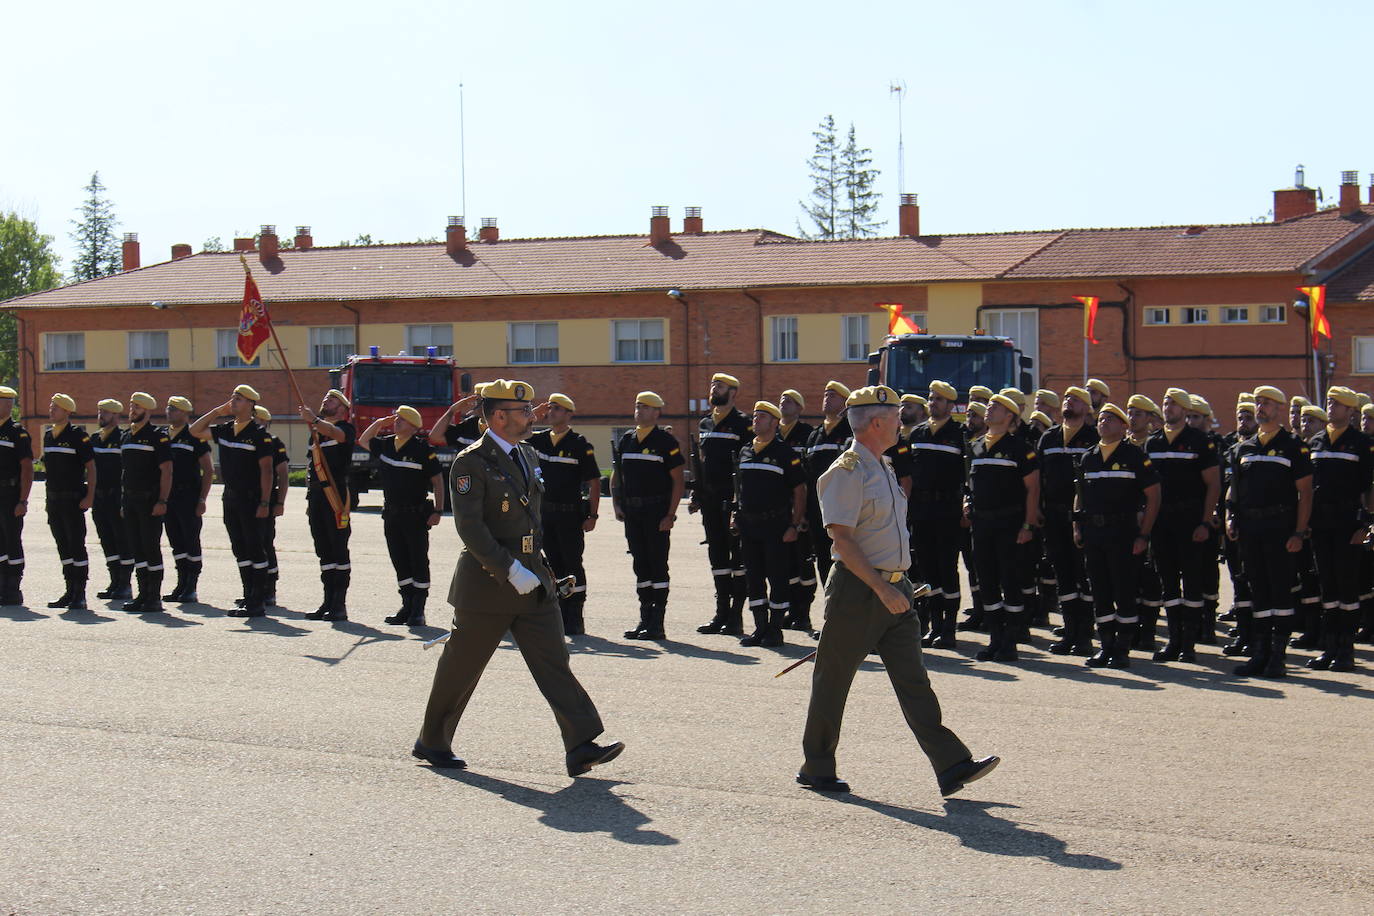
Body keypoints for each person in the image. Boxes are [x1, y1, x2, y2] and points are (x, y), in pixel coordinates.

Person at [796, 384, 998, 797]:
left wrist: (899, 582)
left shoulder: (883, 467)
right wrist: (879, 587)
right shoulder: (845, 472)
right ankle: (816, 764)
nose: (903, 421)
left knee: (914, 679)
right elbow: (843, 541)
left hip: (896, 586)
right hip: (859, 589)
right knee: (833, 680)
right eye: (895, 416)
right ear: (875, 422)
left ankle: (951, 764)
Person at [415, 379, 623, 776]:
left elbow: (531, 517)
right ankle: (432, 740)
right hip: (488, 584)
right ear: (497, 416)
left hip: (533, 580)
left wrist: (537, 569)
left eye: (528, 411)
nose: (531, 417)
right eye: (522, 412)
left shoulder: (528, 454)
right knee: (461, 668)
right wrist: (509, 569)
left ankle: (580, 744)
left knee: (554, 661)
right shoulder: (471, 462)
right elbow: (471, 528)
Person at [1225, 386, 1312, 678]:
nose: (1260, 408)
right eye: (1258, 403)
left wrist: (1299, 532)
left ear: (1280, 410)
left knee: (1280, 591)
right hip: (1250, 529)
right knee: (1257, 589)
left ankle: (1278, 656)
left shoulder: (1293, 446)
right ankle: (1259, 653)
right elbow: (1234, 491)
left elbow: (1305, 493)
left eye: (1267, 404)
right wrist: (1230, 517)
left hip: (1280, 529)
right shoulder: (1243, 448)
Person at [1074, 403, 1160, 669]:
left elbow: (1154, 495)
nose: (1104, 423)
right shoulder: (1088, 456)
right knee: (1100, 591)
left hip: (1123, 533)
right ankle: (1106, 645)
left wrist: (1144, 534)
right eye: (1101, 419)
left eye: (1111, 419)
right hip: (1094, 533)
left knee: (1123, 590)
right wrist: (1077, 526)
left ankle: (1122, 648)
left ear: (1124, 426)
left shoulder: (1134, 455)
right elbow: (1080, 495)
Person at [1145, 388, 1219, 664]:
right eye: (1166, 403)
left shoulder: (1200, 441)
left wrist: (1205, 520)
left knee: (1191, 583)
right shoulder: (1153, 443)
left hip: (1190, 521)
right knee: (1168, 583)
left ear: (1185, 411)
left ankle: (1189, 643)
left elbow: (1213, 483)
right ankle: (1173, 641)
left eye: (1175, 404)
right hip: (1161, 521)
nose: (1169, 408)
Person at [967, 393, 1041, 662]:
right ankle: (995, 638)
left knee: (1010, 582)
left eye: (995, 407)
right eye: (989, 406)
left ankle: (1011, 640)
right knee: (986, 581)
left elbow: (1033, 490)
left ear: (1010, 415)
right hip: (982, 524)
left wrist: (1028, 525)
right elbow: (971, 485)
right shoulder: (975, 446)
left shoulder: (1020, 448)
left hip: (1009, 524)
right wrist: (968, 502)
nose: (989, 410)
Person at [1304, 387, 1373, 671]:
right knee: (1328, 586)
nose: (1331, 407)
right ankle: (1329, 647)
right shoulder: (1317, 441)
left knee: (1347, 587)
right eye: (1330, 403)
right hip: (1321, 524)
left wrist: (1367, 522)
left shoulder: (1361, 443)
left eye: (1338, 404)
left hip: (1348, 524)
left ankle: (1346, 649)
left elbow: (1369, 487)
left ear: (1351, 412)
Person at [190, 385, 274, 618]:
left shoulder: (259, 433)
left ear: (250, 404)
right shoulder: (226, 429)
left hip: (252, 499)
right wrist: (217, 411)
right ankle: (248, 597)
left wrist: (265, 502)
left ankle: (258, 600)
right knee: (240, 549)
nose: (233, 402)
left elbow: (267, 471)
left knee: (255, 549)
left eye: (238, 399)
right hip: (231, 498)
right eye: (232, 398)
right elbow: (195, 431)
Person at [359, 405, 445, 627]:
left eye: (402, 420)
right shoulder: (386, 444)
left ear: (414, 427)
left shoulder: (422, 449)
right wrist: (380, 424)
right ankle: (406, 605)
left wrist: (438, 510)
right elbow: (363, 440)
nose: (397, 422)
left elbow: (438, 481)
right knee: (399, 559)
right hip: (392, 514)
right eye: (396, 419)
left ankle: (418, 609)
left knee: (418, 560)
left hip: (415, 515)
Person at [732, 400, 807, 648]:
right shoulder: (745, 451)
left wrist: (794, 525)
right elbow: (739, 487)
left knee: (777, 577)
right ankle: (759, 627)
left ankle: (775, 629)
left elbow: (799, 490)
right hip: (748, 526)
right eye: (755, 416)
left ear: (775, 422)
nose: (756, 420)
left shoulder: (785, 453)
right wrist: (735, 512)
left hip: (776, 526)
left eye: (762, 416)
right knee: (753, 578)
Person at [526, 393, 602, 636]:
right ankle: (559, 611)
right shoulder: (538, 440)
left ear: (569, 414)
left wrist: (593, 515)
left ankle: (575, 615)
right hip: (545, 515)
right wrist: (533, 414)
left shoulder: (579, 444)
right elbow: (515, 435)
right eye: (550, 409)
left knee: (572, 565)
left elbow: (594, 482)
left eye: (557, 409)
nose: (552, 412)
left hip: (569, 516)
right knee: (553, 566)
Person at [613, 392, 685, 640]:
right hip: (632, 512)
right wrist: (617, 504)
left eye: (645, 407)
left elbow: (678, 481)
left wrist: (671, 515)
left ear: (657, 412)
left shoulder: (666, 441)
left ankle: (658, 623)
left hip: (656, 512)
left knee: (657, 565)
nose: (639, 410)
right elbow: (617, 474)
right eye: (637, 406)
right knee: (640, 565)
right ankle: (644, 619)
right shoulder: (627, 439)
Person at [1039, 386, 1100, 657]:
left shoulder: (1093, 437)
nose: (1068, 402)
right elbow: (1038, 478)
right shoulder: (1049, 437)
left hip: (1081, 517)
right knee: (1062, 575)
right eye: (1066, 398)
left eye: (1075, 400)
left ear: (1086, 408)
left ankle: (1085, 634)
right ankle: (1069, 630)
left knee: (1083, 577)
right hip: (1053, 515)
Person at [907, 380, 967, 649]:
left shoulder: (959, 434)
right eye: (931, 398)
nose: (933, 403)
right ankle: (930, 624)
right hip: (920, 511)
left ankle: (949, 628)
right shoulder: (917, 434)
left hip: (947, 511)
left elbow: (968, 475)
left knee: (947, 569)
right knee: (926, 570)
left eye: (939, 399)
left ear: (951, 405)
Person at [691, 372, 752, 633]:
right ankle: (721, 613)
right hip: (710, 500)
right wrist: (697, 493)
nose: (714, 388)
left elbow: (748, 465)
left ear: (733, 393)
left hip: (733, 500)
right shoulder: (705, 423)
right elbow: (702, 463)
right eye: (713, 384)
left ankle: (736, 616)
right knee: (717, 555)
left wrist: (741, 503)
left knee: (737, 558)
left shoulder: (743, 424)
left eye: (720, 386)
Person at [299, 389, 354, 621]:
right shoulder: (316, 434)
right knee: (323, 551)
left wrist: (314, 419)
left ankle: (339, 605)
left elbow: (337, 434)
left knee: (337, 549)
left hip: (335, 496)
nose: (325, 400)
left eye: (331, 400)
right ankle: (327, 601)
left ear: (342, 409)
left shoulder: (346, 428)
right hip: (316, 498)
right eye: (325, 398)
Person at [118, 392, 172, 613]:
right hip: (130, 500)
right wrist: (123, 501)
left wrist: (162, 500)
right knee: (136, 548)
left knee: (150, 548)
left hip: (150, 501)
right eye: (131, 406)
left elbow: (167, 470)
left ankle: (154, 597)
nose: (133, 410)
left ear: (147, 411)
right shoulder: (126, 436)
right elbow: (125, 471)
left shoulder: (157, 436)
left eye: (137, 407)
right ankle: (142, 594)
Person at [41, 393, 95, 611]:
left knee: (76, 546)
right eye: (51, 406)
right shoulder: (48, 435)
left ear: (66, 411)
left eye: (56, 407)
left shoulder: (77, 436)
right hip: (54, 501)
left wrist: (89, 496)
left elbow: (91, 467)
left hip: (73, 501)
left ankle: (80, 594)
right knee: (63, 547)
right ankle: (69, 590)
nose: (51, 409)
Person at [800, 381, 853, 594]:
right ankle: (831, 611)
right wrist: (803, 512)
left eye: (833, 395)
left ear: (844, 402)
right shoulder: (814, 435)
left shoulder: (850, 430)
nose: (827, 399)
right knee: (823, 560)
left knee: (845, 562)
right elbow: (806, 476)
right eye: (825, 394)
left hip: (842, 510)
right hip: (817, 511)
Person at [161, 396, 212, 604]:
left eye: (173, 409)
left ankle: (191, 585)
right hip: (168, 497)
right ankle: (181, 583)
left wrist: (202, 499)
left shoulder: (194, 436)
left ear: (184, 413)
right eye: (168, 408)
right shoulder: (163, 436)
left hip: (188, 496)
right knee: (176, 542)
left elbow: (208, 471)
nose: (168, 412)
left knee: (191, 541)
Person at [778, 389, 819, 634]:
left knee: (804, 562)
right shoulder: (772, 434)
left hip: (800, 508)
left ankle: (803, 612)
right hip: (778, 508)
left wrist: (802, 512)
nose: (785, 404)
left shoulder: (807, 434)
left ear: (800, 407)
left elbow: (806, 474)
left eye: (791, 401)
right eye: (782, 400)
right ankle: (791, 609)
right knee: (786, 564)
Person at [90, 398, 133, 600]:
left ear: (116, 416)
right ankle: (114, 580)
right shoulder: (95, 439)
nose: (101, 416)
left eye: (106, 412)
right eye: (100, 412)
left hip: (117, 497)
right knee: (106, 540)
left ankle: (125, 583)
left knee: (122, 540)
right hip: (100, 499)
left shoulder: (123, 438)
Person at [254, 406, 291, 608]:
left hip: (267, 500)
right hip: (247, 500)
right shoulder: (244, 440)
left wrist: (280, 502)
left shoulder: (275, 443)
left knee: (265, 543)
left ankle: (270, 589)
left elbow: (283, 475)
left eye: (257, 419)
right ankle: (253, 589)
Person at [0, 385, 33, 606]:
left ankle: (13, 587)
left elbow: (27, 468)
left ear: (8, 404)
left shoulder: (17, 432)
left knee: (12, 540)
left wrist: (23, 499)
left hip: (11, 494)